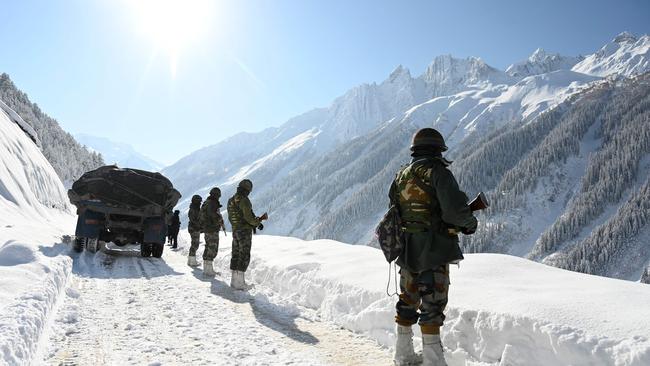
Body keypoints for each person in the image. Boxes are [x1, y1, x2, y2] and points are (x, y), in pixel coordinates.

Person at [390, 128, 477, 366]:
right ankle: (433, 361)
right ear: (439, 149)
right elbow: (454, 212)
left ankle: (403, 355)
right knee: (433, 304)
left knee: (407, 299)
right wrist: (470, 223)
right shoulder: (438, 173)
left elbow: (394, 210)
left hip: (407, 250)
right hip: (434, 250)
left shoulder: (401, 174)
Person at [227, 179, 267, 290]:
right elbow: (249, 217)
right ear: (247, 189)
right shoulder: (244, 200)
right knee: (244, 255)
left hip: (235, 230)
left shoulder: (231, 200)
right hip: (244, 231)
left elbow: (232, 216)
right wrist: (258, 222)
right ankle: (240, 283)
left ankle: (234, 281)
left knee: (235, 253)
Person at [199, 187, 225, 276]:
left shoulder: (206, 202)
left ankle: (207, 269)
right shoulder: (212, 203)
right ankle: (209, 271)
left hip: (207, 228)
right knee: (212, 248)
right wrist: (219, 219)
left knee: (208, 246)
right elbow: (213, 214)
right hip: (212, 228)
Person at [187, 194, 203, 267]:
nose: (200, 203)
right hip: (194, 228)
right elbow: (194, 220)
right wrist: (199, 226)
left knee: (194, 244)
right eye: (199, 201)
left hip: (194, 228)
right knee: (195, 244)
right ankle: (192, 261)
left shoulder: (194, 208)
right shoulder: (194, 209)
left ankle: (191, 260)